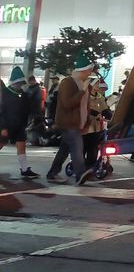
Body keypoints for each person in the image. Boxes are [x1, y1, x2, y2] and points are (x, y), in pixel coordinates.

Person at [48, 55, 97, 185]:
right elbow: (67, 104)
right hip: (68, 123)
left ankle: (52, 173)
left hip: (77, 123)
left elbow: (85, 105)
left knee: (65, 149)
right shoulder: (67, 83)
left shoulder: (85, 85)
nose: (90, 73)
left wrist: (86, 121)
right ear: (82, 70)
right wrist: (82, 91)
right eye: (88, 70)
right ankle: (80, 174)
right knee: (77, 147)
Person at [0, 67, 42, 179]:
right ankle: (24, 169)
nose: (20, 85)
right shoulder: (4, 93)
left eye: (22, 83)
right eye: (19, 82)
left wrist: (31, 119)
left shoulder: (23, 94)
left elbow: (27, 109)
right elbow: (1, 110)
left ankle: (24, 169)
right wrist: (3, 127)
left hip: (19, 125)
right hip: (7, 125)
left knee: (21, 146)